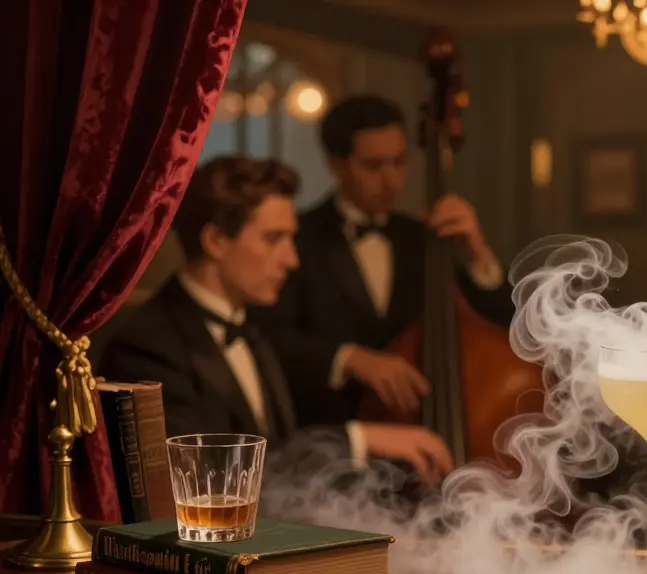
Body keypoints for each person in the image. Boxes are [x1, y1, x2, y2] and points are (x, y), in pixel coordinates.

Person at [99, 155, 454, 480]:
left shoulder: (252, 326)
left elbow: (277, 455)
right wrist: (356, 439)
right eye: (274, 239)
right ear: (217, 240)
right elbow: (210, 476)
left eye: (291, 239)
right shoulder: (146, 346)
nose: (292, 260)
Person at [253, 94, 513, 432]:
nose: (392, 180)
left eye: (399, 161)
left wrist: (479, 252)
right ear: (336, 164)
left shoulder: (424, 238)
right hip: (331, 442)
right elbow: (269, 337)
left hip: (423, 427)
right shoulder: (296, 237)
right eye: (374, 166)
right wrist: (349, 358)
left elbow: (502, 322)